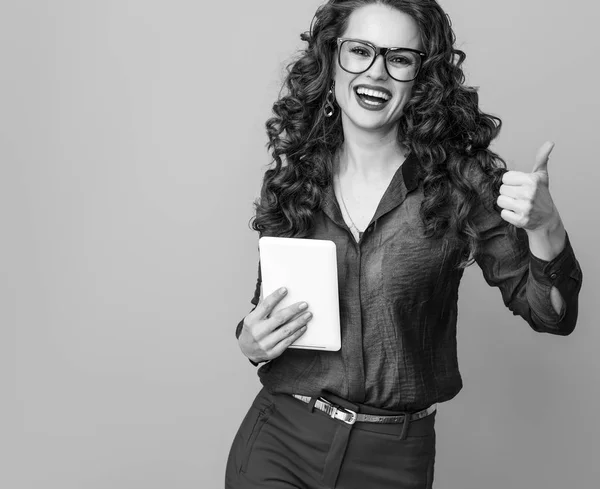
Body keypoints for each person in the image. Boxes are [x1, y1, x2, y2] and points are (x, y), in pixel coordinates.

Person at [225, 1, 583, 488]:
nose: (376, 72)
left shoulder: (461, 183)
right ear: (332, 61)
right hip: (281, 440)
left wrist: (546, 227)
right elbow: (267, 316)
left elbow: (553, 316)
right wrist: (249, 341)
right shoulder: (298, 179)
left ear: (422, 76)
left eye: (399, 58)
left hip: (392, 459)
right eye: (359, 51)